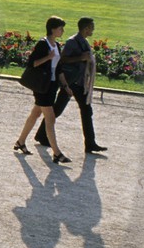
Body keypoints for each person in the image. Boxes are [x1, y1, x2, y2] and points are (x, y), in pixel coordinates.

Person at [34, 17, 105, 155]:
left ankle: (90, 143)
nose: (93, 30)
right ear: (86, 28)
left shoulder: (83, 41)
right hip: (71, 83)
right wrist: (81, 58)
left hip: (79, 83)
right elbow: (63, 59)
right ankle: (42, 135)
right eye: (92, 27)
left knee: (86, 111)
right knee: (57, 110)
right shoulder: (73, 42)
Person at [13, 16, 70, 163]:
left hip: (51, 86)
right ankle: (57, 153)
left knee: (35, 114)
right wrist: (48, 57)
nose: (62, 31)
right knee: (50, 118)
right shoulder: (43, 44)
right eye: (60, 28)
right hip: (41, 86)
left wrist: (65, 86)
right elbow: (32, 63)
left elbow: (58, 68)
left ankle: (20, 141)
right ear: (53, 29)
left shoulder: (57, 45)